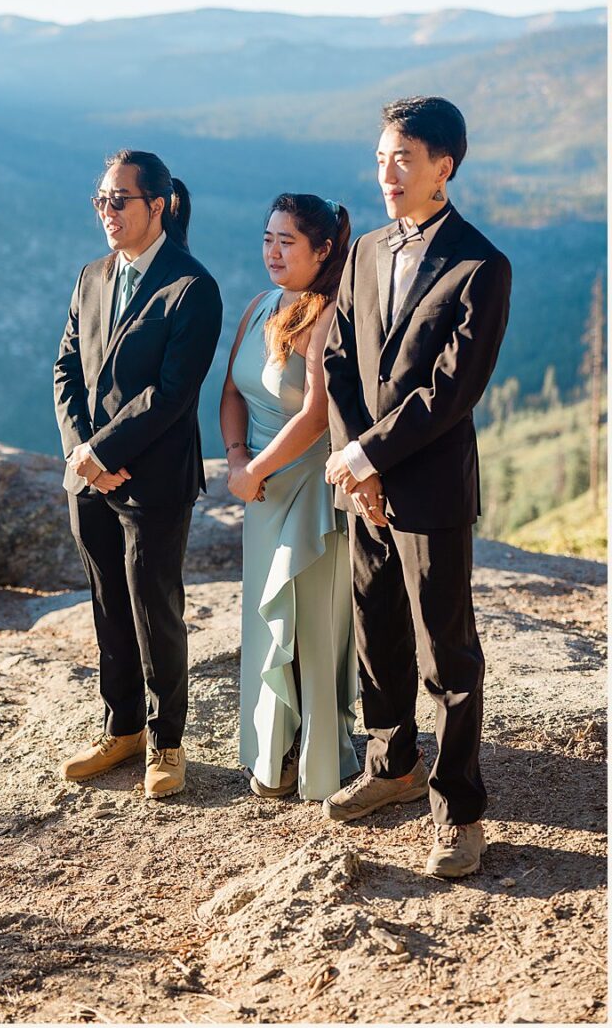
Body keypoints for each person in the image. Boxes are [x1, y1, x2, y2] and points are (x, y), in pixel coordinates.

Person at [321, 96, 511, 879]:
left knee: (447, 656)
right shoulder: (365, 250)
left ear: (444, 166)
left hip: (429, 489)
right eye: (380, 159)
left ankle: (459, 813)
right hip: (362, 484)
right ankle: (391, 766)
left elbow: (450, 391)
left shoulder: (481, 266)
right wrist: (352, 461)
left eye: (402, 158)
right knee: (377, 635)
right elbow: (336, 359)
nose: (387, 173)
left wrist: (369, 455)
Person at [53, 150, 223, 799]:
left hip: (153, 479)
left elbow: (172, 394)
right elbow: (66, 368)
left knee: (156, 611)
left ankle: (166, 741)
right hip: (90, 477)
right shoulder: (92, 276)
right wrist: (83, 453)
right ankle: (120, 728)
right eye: (101, 199)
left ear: (158, 205)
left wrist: (104, 452)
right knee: (107, 606)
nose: (107, 211)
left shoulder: (192, 288)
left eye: (119, 200)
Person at [221, 194, 358, 801]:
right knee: (265, 620)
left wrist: (257, 469)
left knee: (310, 626)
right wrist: (236, 460)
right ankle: (271, 750)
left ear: (322, 250)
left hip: (306, 488)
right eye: (267, 239)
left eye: (287, 242)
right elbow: (232, 390)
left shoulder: (327, 316)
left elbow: (316, 415)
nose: (272, 252)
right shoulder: (259, 306)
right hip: (260, 488)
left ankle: (316, 757)